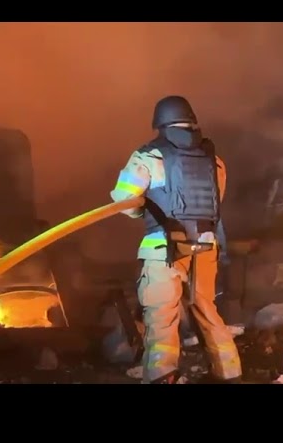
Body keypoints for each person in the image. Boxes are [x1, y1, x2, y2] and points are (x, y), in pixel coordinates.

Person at [110, 95, 242, 384]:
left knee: (161, 318)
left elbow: (124, 202)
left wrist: (145, 210)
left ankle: (163, 376)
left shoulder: (147, 157)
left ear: (160, 122)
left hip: (163, 249)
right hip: (205, 248)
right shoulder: (214, 160)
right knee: (207, 311)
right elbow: (214, 203)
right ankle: (229, 373)